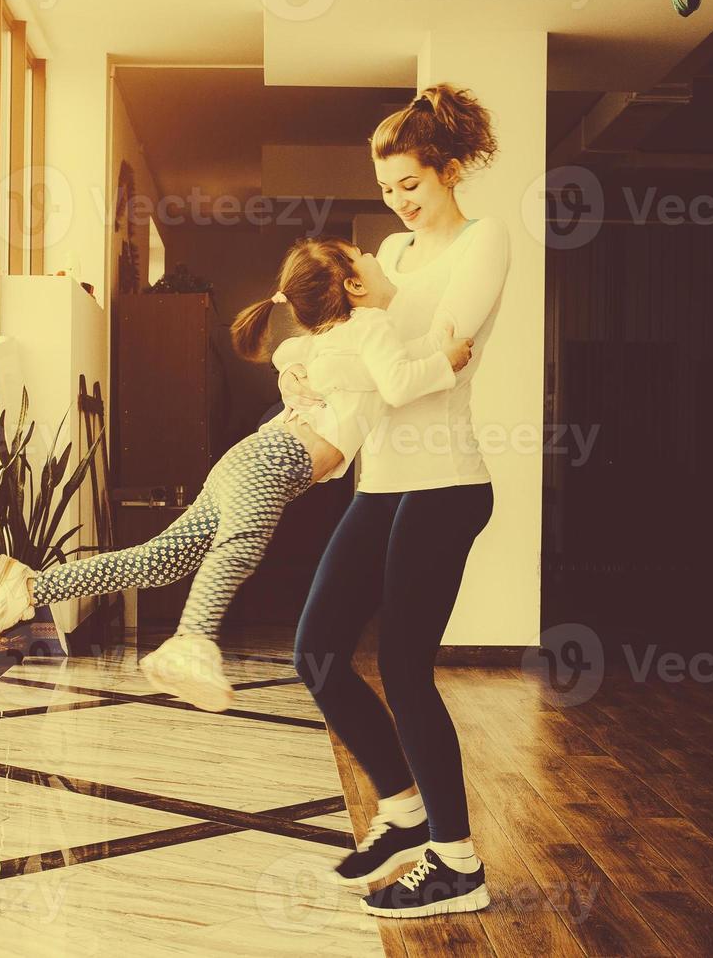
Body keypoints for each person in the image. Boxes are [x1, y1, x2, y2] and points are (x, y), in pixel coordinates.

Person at [0, 236, 473, 712]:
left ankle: (31, 587)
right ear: (355, 286)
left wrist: (297, 369)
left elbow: (295, 352)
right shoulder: (369, 327)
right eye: (361, 254)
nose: (371, 253)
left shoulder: (337, 334)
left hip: (252, 458)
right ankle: (191, 640)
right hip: (275, 460)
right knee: (243, 543)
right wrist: (447, 361)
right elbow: (399, 382)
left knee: (157, 561)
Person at [293, 83, 511, 919]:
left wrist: (364, 324)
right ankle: (402, 811)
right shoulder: (391, 250)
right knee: (316, 652)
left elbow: (433, 357)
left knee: (404, 669)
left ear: (449, 170)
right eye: (385, 189)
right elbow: (371, 356)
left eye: (410, 185)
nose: (396, 202)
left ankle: (457, 865)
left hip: (445, 482)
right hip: (381, 482)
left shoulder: (481, 240)